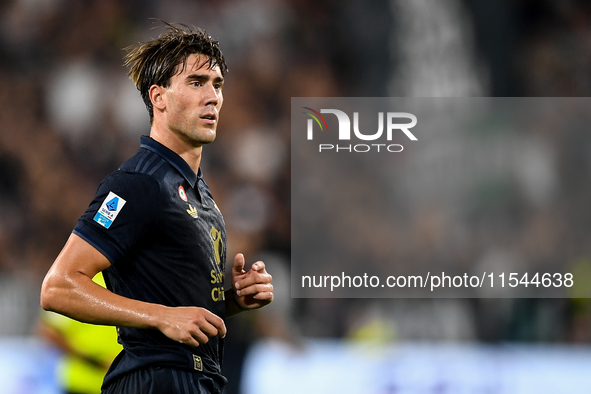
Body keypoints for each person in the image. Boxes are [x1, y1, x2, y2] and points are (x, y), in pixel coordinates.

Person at [40, 23, 274, 394]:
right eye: (196, 83)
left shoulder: (201, 195)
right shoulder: (138, 183)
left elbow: (179, 312)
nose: (212, 96)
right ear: (159, 97)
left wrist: (232, 301)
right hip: (152, 381)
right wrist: (161, 316)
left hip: (199, 379)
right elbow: (58, 287)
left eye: (217, 84)